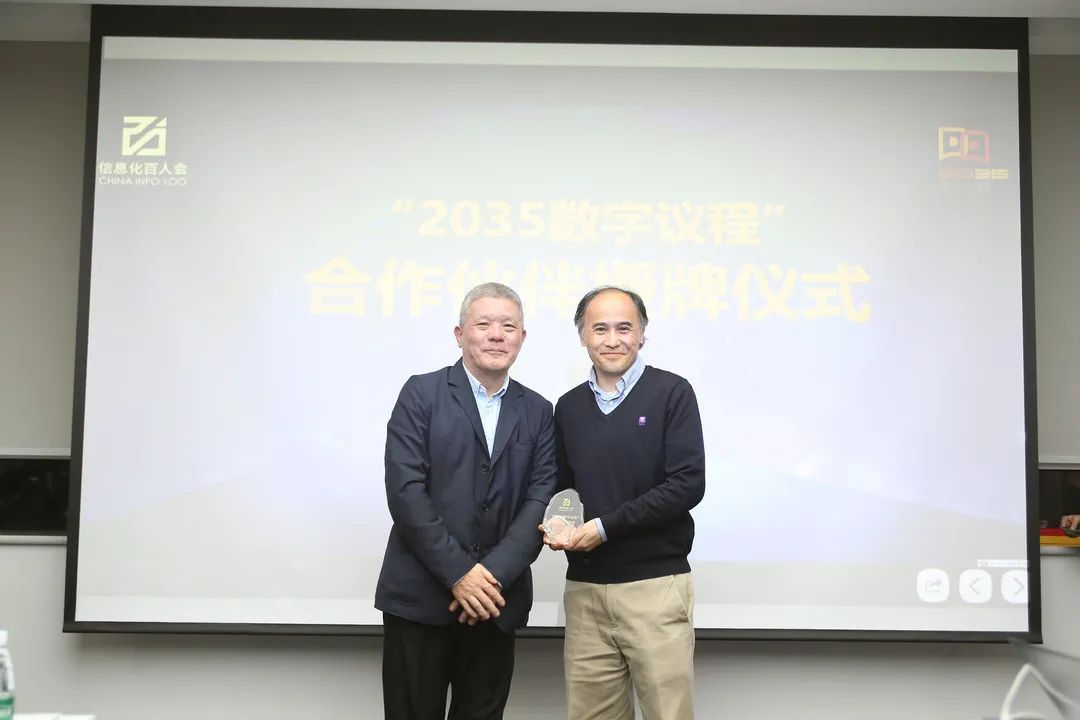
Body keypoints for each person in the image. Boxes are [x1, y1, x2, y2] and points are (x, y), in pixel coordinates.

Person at [376, 282, 557, 720]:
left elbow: (541, 498)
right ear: (460, 334)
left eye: (508, 326)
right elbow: (406, 492)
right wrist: (459, 574)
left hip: (496, 603)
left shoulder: (539, 410)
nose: (496, 335)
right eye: (484, 324)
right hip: (421, 600)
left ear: (522, 338)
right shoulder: (421, 393)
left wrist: (488, 579)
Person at [543, 286, 706, 720]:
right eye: (600, 329)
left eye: (624, 328)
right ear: (582, 336)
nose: (612, 339)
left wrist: (604, 528)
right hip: (585, 592)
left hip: (655, 588)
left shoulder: (672, 393)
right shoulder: (568, 407)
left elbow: (687, 485)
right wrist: (555, 523)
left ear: (642, 334)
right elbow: (563, 492)